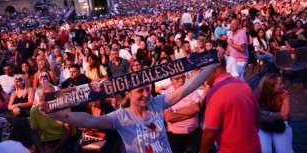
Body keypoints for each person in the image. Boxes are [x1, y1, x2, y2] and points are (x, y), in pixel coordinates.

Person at [44, 64, 218, 153]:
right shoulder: (121, 117)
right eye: (139, 90)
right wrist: (56, 114)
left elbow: (187, 88)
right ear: (127, 93)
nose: (146, 94)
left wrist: (211, 65)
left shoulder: (157, 103)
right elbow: (88, 120)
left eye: (147, 88)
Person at [200, 59, 261, 153]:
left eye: (203, 71)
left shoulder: (215, 91)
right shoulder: (243, 85)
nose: (202, 75)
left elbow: (210, 131)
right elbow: (258, 116)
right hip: (254, 147)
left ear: (214, 69)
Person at [30, 87, 78, 153]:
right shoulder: (34, 110)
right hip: (47, 141)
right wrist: (42, 151)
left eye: (53, 95)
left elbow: (68, 131)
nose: (52, 97)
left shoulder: (63, 106)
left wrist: (54, 150)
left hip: (64, 140)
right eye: (47, 96)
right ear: (41, 99)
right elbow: (34, 133)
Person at [164, 73, 201, 153]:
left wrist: (176, 112)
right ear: (171, 81)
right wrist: (191, 113)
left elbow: (196, 108)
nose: (181, 80)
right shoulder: (166, 94)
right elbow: (168, 117)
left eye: (183, 77)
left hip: (193, 130)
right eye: (177, 78)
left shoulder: (191, 89)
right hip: (175, 133)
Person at [257, 73, 293, 153]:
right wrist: (277, 115)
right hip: (264, 127)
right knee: (264, 151)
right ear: (271, 87)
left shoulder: (284, 94)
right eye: (280, 84)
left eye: (282, 82)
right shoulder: (259, 94)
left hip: (280, 127)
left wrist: (264, 114)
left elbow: (285, 116)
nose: (283, 85)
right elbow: (255, 113)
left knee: (283, 151)